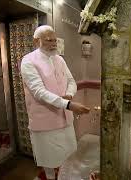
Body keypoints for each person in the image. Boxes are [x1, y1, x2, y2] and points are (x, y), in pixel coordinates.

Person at [20, 25, 90, 180]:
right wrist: (69, 105)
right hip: (45, 122)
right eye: (48, 40)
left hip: (65, 119)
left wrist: (69, 95)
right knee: (49, 160)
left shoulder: (59, 59)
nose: (53, 43)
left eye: (54, 40)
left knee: (68, 156)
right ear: (36, 41)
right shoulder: (28, 61)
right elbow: (39, 92)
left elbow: (71, 81)